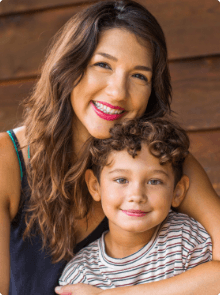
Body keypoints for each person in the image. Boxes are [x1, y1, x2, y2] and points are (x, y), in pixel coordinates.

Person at [0, 1, 219, 295]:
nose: (117, 92)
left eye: (139, 76)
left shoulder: (160, 159)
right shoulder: (6, 160)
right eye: (103, 65)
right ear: (69, 67)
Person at [59, 118, 212, 288]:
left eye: (154, 181)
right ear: (95, 187)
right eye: (121, 179)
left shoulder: (188, 241)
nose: (137, 195)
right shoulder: (81, 274)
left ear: (177, 191)